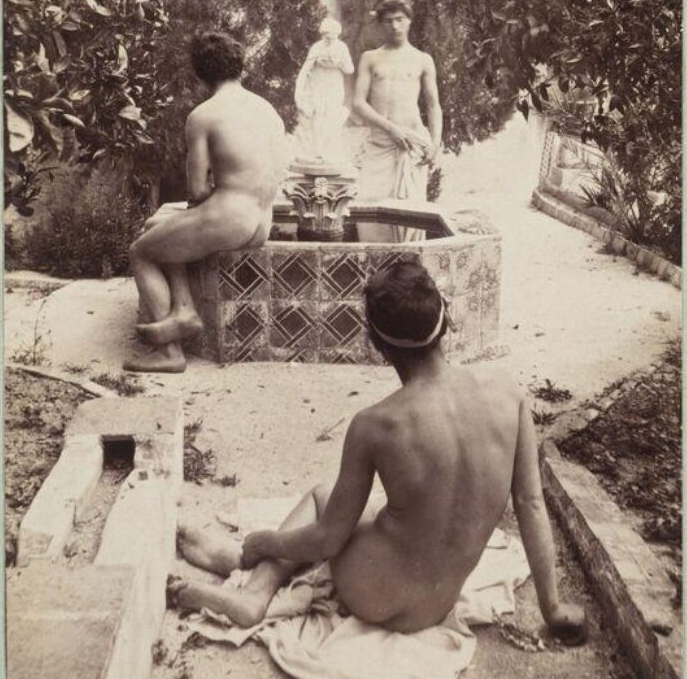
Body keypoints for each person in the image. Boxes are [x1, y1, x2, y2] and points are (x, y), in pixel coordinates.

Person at [168, 257, 587, 644]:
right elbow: (531, 503)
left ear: (378, 345)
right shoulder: (508, 393)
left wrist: (265, 542)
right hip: (435, 604)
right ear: (445, 320)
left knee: (322, 499)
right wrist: (552, 608)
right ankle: (239, 563)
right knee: (375, 517)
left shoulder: (376, 425)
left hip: (374, 595)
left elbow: (328, 539)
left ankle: (253, 591)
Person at [123, 30, 288, 374]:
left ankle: (168, 352)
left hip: (230, 219)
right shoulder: (268, 110)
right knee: (159, 227)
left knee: (141, 251)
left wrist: (215, 191)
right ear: (240, 66)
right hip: (262, 222)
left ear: (200, 75)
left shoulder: (204, 115)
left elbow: (197, 190)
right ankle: (183, 309)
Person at [353, 0, 443, 241]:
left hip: (411, 147)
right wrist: (390, 128)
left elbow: (433, 106)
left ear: (409, 20)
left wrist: (435, 143)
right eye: (389, 20)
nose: (395, 26)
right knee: (370, 210)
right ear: (381, 24)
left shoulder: (422, 60)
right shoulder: (370, 58)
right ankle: (375, 264)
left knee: (410, 217)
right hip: (380, 145)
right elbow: (358, 103)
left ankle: (408, 265)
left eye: (400, 19)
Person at [293, 17, 354, 163]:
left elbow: (350, 69)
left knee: (332, 117)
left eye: (333, 38)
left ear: (337, 35)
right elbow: (305, 69)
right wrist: (298, 89)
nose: (330, 41)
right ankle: (316, 152)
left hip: (334, 87)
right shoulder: (317, 47)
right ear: (323, 35)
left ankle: (329, 151)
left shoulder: (341, 47)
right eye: (327, 38)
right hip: (318, 86)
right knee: (317, 116)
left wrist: (338, 63)